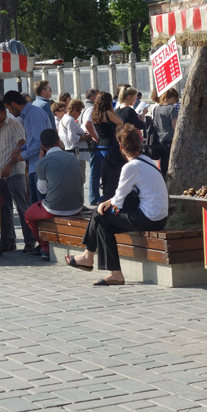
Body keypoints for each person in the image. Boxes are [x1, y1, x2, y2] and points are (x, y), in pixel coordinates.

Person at [65, 124, 167, 286]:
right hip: (159, 216)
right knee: (102, 220)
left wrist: (104, 204)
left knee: (101, 216)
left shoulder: (130, 167)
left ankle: (95, 260)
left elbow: (117, 202)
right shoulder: (147, 160)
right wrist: (108, 203)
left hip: (149, 217)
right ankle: (92, 259)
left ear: (120, 146)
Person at [24, 129, 84, 261]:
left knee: (29, 215)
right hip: (77, 205)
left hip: (54, 207)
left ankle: (45, 247)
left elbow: (42, 190)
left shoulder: (42, 162)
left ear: (43, 146)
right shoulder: (73, 158)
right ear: (59, 141)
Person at [0, 99, 37, 254]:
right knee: (4, 208)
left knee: (22, 207)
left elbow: (21, 144)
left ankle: (30, 240)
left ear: (3, 112)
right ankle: (9, 241)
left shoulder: (14, 125)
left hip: (14, 172)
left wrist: (9, 165)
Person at [5, 90, 54, 205]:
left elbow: (40, 142)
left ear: (14, 104)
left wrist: (22, 155)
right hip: (34, 166)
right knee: (35, 204)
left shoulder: (34, 114)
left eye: (8, 108)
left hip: (40, 165)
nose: (10, 112)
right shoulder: (28, 115)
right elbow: (33, 141)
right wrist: (22, 148)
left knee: (41, 205)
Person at [91, 92, 125, 201]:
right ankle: (111, 201)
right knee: (114, 175)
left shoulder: (95, 114)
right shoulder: (108, 113)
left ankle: (103, 197)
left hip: (100, 145)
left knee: (105, 173)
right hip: (110, 145)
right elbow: (121, 122)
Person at [58, 99, 90, 183]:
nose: (79, 115)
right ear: (74, 109)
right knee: (80, 180)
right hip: (76, 154)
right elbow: (72, 137)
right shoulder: (70, 120)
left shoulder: (64, 118)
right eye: (79, 112)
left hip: (70, 152)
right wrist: (87, 137)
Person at [80, 89, 102, 206]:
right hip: (94, 142)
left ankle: (94, 196)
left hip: (91, 141)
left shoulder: (86, 107)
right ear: (93, 97)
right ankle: (94, 197)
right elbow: (88, 124)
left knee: (95, 169)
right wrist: (95, 137)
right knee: (96, 169)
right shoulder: (91, 108)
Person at [152, 88, 179, 178]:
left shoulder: (156, 108)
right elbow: (175, 127)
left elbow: (155, 124)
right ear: (172, 97)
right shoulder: (171, 109)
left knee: (163, 165)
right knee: (171, 165)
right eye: (176, 99)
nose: (175, 102)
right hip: (170, 139)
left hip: (160, 140)